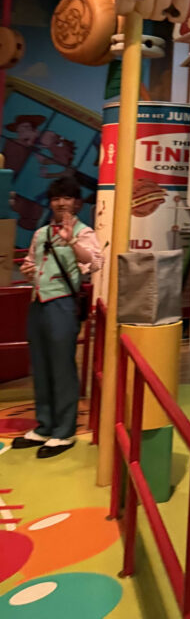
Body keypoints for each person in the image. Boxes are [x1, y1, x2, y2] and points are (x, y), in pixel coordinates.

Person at [12, 176, 103, 458]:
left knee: (62, 368)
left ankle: (64, 431)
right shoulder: (41, 233)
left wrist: (71, 241)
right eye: (55, 198)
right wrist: (27, 270)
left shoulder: (84, 232)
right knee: (40, 366)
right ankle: (45, 425)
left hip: (62, 304)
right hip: (37, 303)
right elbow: (31, 261)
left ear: (77, 203)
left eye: (67, 198)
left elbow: (94, 262)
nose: (61, 203)